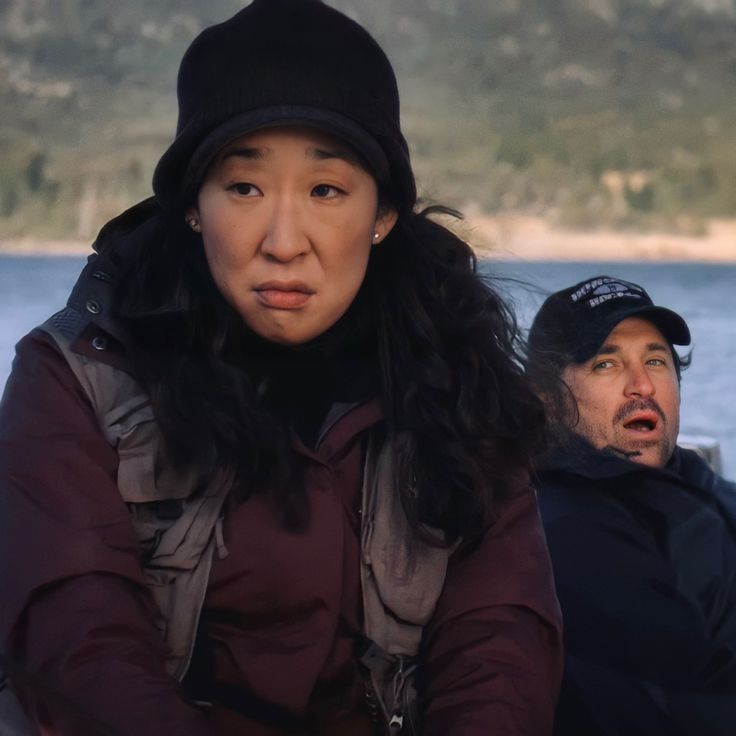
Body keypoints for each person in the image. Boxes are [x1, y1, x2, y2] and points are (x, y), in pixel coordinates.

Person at [0, 2, 563, 734]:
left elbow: (498, 641)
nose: (284, 240)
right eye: (244, 188)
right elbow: (76, 633)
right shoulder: (77, 377)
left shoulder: (460, 384)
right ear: (194, 206)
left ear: (383, 213)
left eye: (326, 191)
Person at [527, 275, 736, 736]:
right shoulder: (554, 525)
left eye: (657, 361)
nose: (641, 385)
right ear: (546, 398)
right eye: (605, 364)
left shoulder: (703, 493)